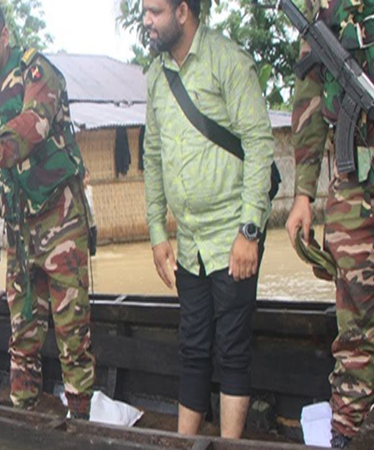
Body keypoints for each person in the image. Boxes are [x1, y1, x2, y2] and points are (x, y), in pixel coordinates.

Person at [0, 0, 95, 419]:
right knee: (23, 335)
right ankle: (23, 420)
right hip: (20, 236)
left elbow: (34, 125)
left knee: (72, 333)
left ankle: (80, 424)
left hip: (60, 221)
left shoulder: (36, 71)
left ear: (5, 36)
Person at [141, 0, 275, 438]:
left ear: (183, 12)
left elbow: (258, 143)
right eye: (145, 11)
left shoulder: (227, 61)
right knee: (193, 347)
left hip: (231, 233)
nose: (147, 20)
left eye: (155, 11)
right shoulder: (156, 77)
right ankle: (186, 445)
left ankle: (230, 446)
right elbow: (154, 155)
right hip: (190, 241)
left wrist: (249, 231)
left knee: (232, 350)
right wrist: (158, 231)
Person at [285, 1, 374, 446]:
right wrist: (303, 193)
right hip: (354, 184)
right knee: (355, 323)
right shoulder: (326, 7)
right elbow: (309, 99)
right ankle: (345, 431)